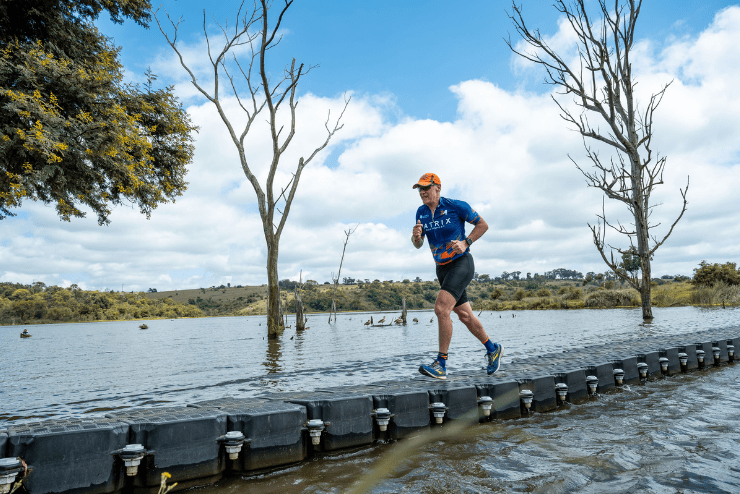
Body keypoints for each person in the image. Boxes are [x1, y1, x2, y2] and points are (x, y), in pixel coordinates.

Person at [411, 172, 503, 379]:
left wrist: (466, 242)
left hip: (461, 263)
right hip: (441, 268)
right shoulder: (421, 212)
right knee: (464, 316)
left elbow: (483, 225)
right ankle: (492, 349)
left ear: (438, 188)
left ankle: (441, 364)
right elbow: (418, 245)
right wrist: (416, 237)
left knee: (441, 308)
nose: (422, 192)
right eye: (420, 189)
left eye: (426, 188)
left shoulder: (456, 206)